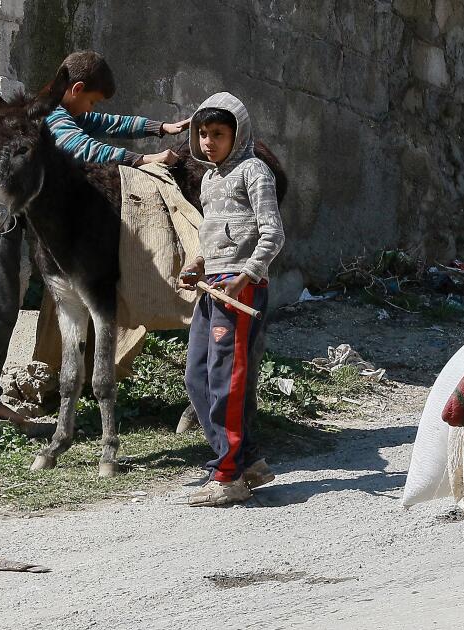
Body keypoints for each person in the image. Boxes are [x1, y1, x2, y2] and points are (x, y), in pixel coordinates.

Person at [0, 50, 190, 423]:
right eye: (90, 100)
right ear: (76, 89)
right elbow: (84, 146)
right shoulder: (49, 118)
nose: (92, 110)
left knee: (7, 307)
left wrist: (157, 128)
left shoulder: (64, 110)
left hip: (15, 216)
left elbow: (107, 121)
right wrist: (140, 160)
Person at [178, 92, 285, 507]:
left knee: (227, 380)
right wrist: (198, 265)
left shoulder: (254, 172)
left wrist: (245, 277)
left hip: (241, 290)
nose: (208, 142)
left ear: (237, 134)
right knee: (196, 376)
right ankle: (248, 460)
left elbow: (272, 234)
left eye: (218, 134)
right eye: (202, 134)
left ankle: (228, 476)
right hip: (214, 288)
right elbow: (213, 239)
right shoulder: (208, 179)